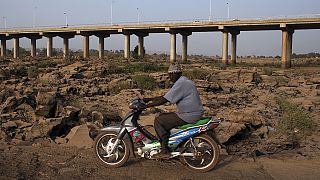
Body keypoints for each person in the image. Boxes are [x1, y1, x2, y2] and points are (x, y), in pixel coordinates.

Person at [140, 63, 204, 159]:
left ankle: (165, 151)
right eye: (169, 74)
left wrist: (145, 106)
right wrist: (149, 99)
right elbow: (166, 96)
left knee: (159, 121)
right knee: (163, 116)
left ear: (179, 73)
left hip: (188, 114)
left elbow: (164, 100)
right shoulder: (183, 81)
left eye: (173, 74)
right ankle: (169, 144)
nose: (171, 76)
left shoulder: (181, 83)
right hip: (191, 113)